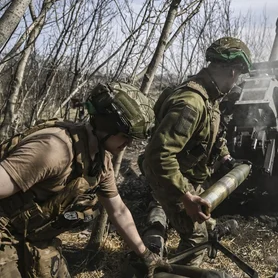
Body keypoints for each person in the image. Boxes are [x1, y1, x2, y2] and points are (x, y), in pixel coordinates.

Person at [0, 82, 170, 278]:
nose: (128, 144)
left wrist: (146, 255)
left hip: (33, 237)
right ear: (106, 126)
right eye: (125, 136)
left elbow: (118, 210)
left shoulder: (99, 161)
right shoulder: (53, 150)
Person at [142, 37, 252, 266]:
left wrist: (225, 157)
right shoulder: (192, 102)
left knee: (205, 223)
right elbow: (159, 155)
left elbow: (211, 135)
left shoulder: (209, 98)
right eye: (239, 75)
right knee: (197, 239)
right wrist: (184, 195)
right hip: (171, 179)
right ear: (233, 72)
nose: (237, 81)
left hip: (187, 176)